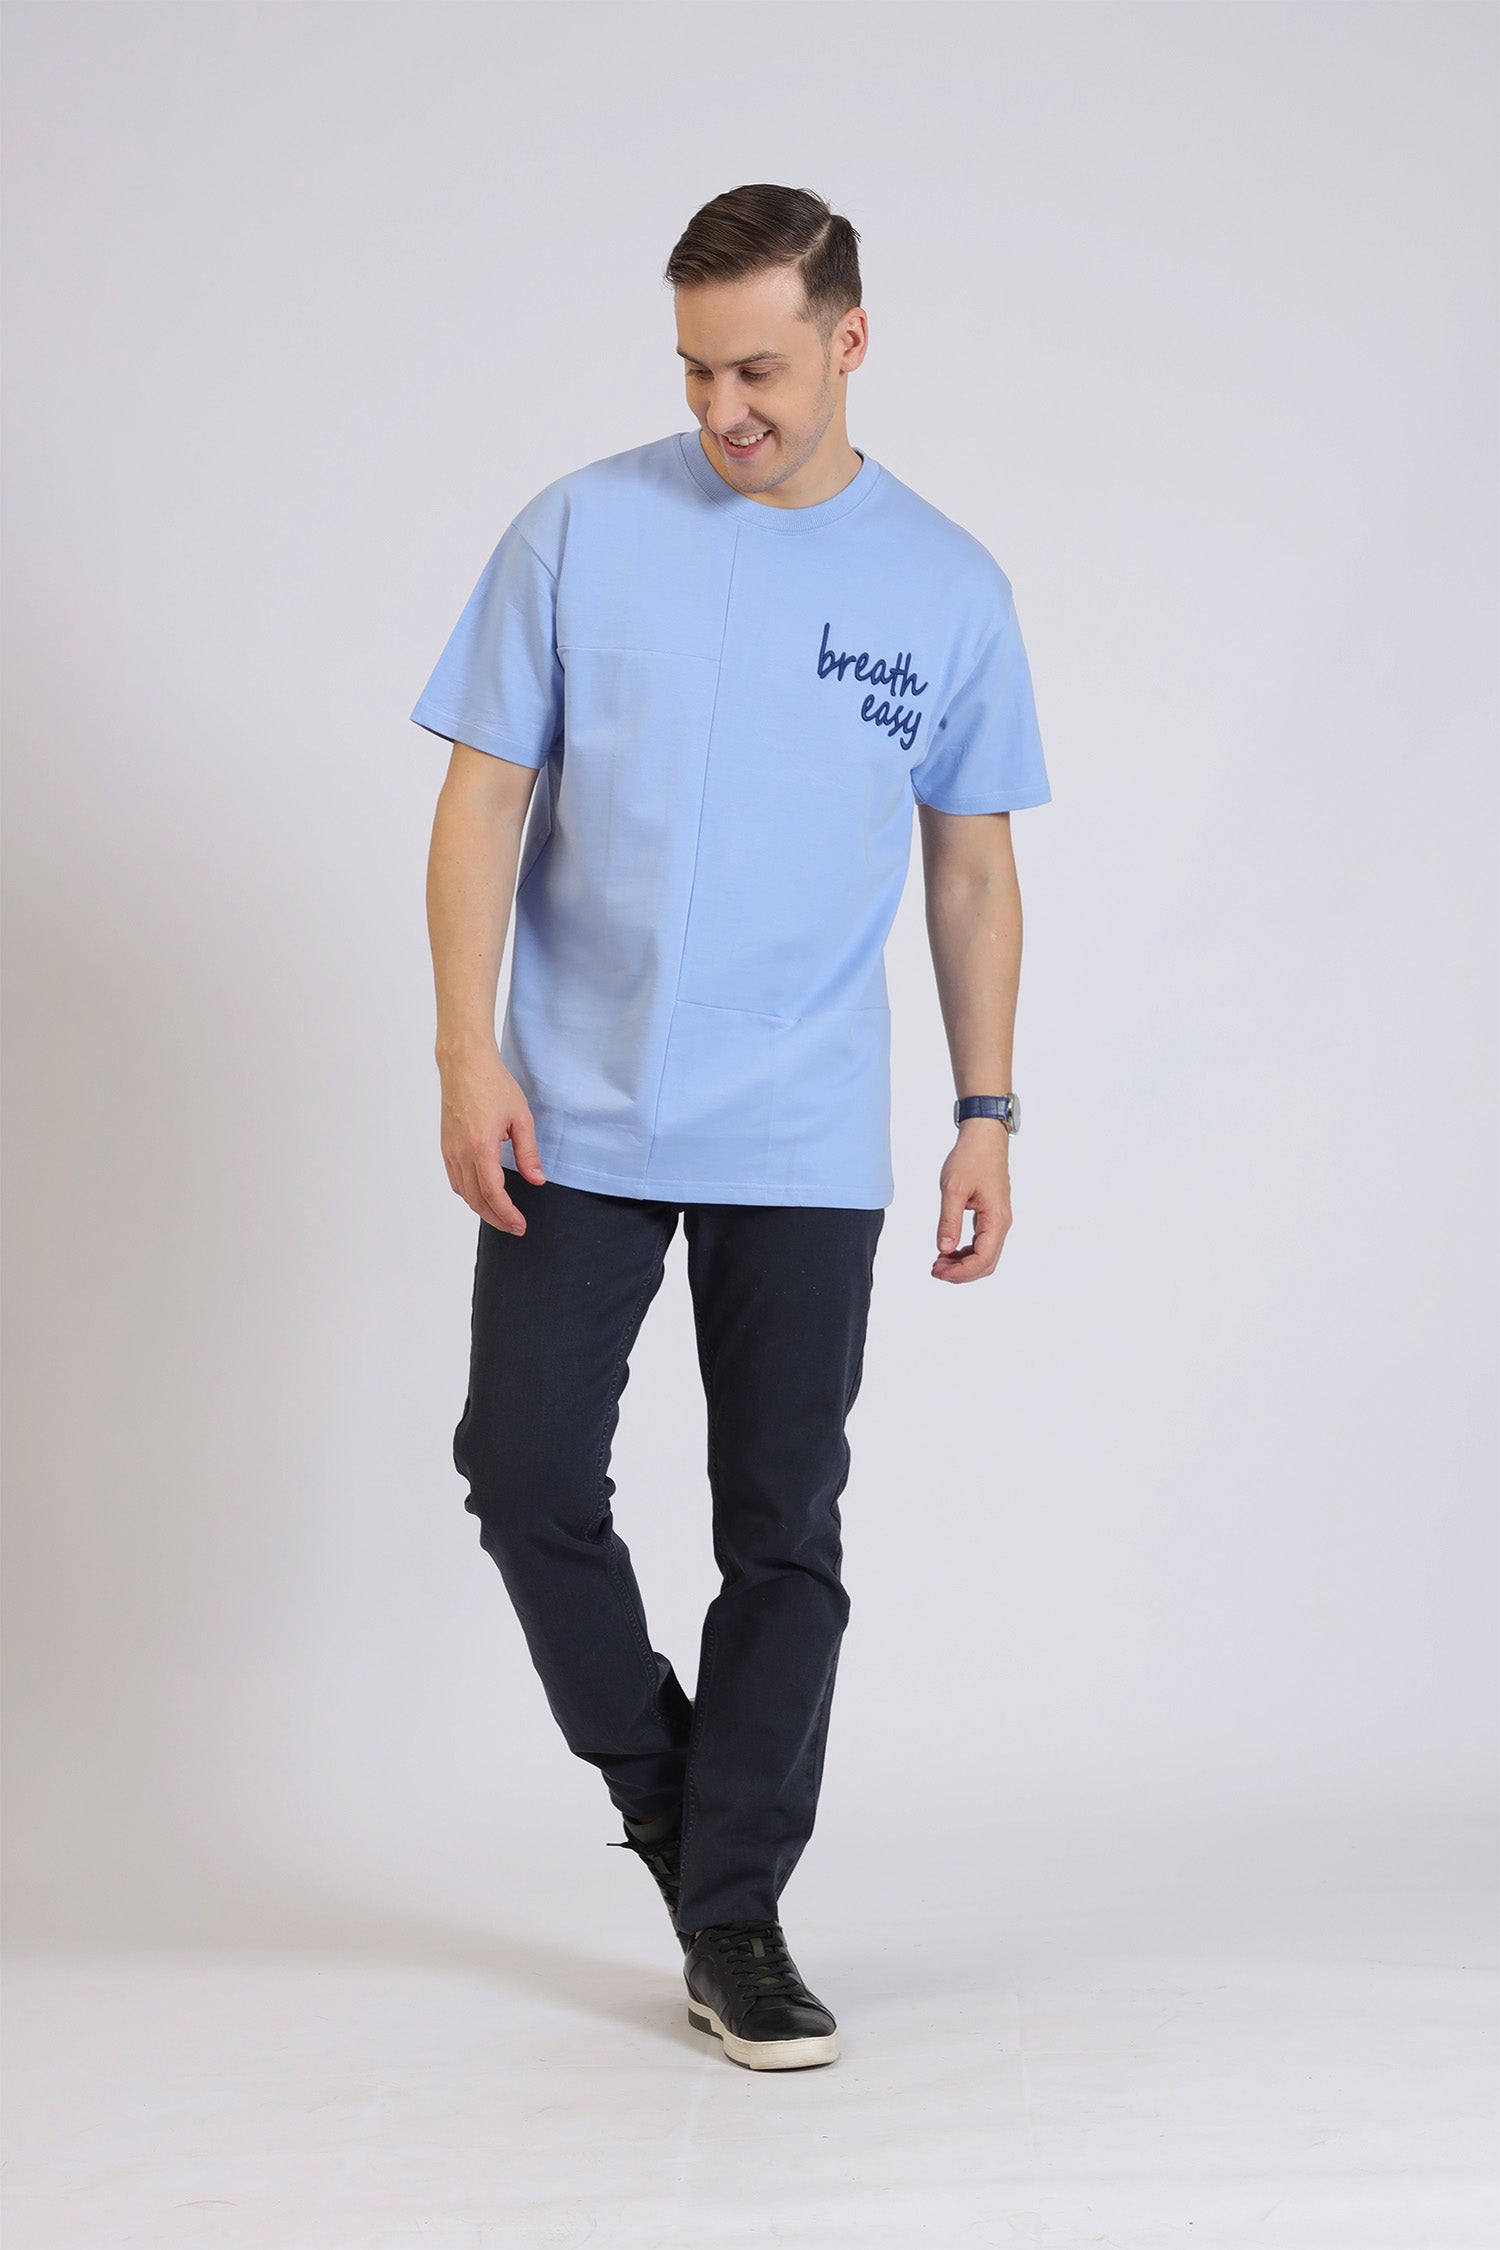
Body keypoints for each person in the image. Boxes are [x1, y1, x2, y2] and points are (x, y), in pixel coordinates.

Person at [411, 183, 1051, 2073]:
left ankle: (739, 1921)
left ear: (850, 338)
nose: (724, 409)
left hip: (800, 1124)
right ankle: (682, 1815)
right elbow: (480, 802)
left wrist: (989, 1110)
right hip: (575, 1105)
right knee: (523, 1472)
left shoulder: (948, 583)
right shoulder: (578, 529)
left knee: (783, 1528)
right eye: (695, 371)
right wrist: (464, 1050)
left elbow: (972, 870)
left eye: (758, 369)